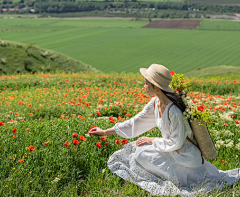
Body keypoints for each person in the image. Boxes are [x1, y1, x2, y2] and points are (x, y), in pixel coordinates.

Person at [89, 64, 240, 196]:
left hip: (185, 155)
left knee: (142, 152)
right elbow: (136, 121)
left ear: (156, 86)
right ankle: (169, 175)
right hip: (171, 149)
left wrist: (152, 140)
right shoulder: (156, 101)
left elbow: (177, 142)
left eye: (146, 83)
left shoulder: (174, 111)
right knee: (138, 149)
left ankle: (176, 178)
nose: (144, 86)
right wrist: (105, 132)